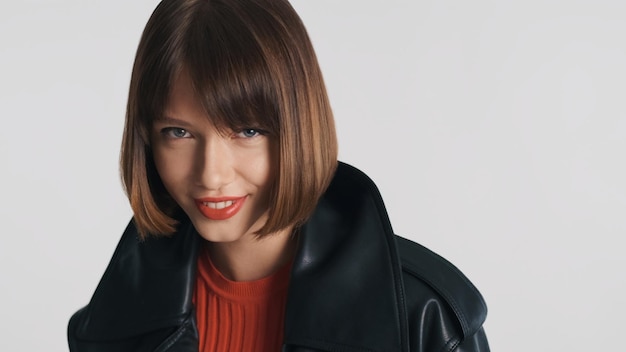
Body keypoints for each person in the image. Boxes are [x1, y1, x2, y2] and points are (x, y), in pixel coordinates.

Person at [67, 0, 490, 351]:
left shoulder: (423, 315)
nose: (211, 174)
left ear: (300, 128)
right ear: (146, 139)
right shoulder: (115, 319)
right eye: (178, 132)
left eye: (248, 131)